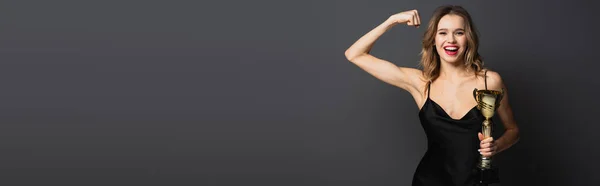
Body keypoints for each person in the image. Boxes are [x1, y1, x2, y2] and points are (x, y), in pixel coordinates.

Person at [344, 5, 520, 186]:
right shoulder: (421, 83)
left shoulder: (489, 81)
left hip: (475, 181)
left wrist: (496, 146)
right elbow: (354, 54)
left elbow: (513, 131)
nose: (450, 40)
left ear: (469, 38)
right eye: (442, 33)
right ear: (433, 40)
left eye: (459, 32)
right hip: (428, 181)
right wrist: (392, 21)